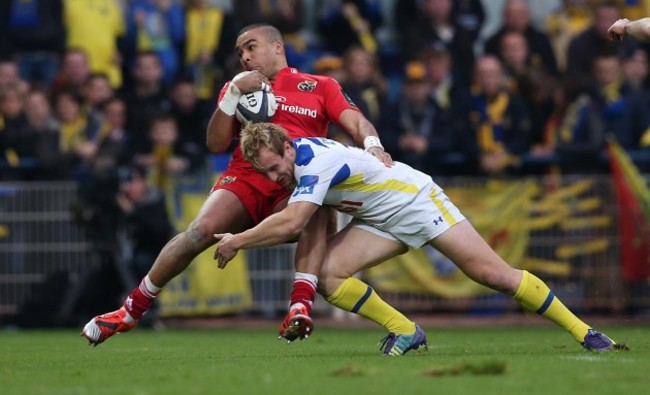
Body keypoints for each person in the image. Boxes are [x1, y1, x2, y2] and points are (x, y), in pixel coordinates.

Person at [81, 23, 392, 346]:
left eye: (251, 47)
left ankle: (299, 307)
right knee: (199, 232)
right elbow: (215, 143)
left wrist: (372, 144)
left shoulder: (319, 85)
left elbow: (356, 120)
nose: (244, 56)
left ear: (277, 47)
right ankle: (130, 311)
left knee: (315, 206)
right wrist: (231, 94)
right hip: (245, 176)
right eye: (240, 52)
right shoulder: (237, 88)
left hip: (295, 180)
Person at [214, 122, 628, 354]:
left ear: (287, 147)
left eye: (274, 167)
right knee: (329, 277)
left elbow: (292, 223)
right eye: (265, 173)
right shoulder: (296, 155)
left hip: (416, 202)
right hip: (380, 218)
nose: (274, 178)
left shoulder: (316, 163)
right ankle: (407, 331)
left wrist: (236, 240)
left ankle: (586, 332)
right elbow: (294, 220)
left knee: (492, 275)